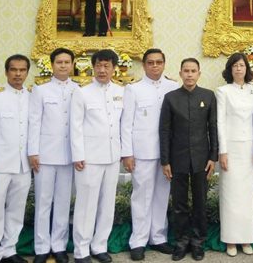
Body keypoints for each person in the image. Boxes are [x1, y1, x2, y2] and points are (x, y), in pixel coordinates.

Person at [121, 48, 179, 261]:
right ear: (144, 65)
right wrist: (127, 153)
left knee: (162, 195)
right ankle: (138, 241)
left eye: (159, 62)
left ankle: (158, 237)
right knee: (141, 196)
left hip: (167, 154)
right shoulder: (133, 89)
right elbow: (126, 124)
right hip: (142, 152)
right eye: (151, 63)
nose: (155, 66)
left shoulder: (173, 86)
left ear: (164, 64)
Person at [159, 58, 218, 262]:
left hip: (202, 158)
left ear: (199, 73)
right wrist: (165, 161)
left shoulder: (208, 96)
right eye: (186, 71)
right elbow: (164, 131)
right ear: (181, 73)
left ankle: (198, 242)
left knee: (200, 202)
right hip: (178, 158)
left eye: (193, 71)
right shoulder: (171, 98)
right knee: (179, 204)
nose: (190, 74)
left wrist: (213, 157)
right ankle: (182, 242)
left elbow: (213, 128)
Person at [70, 49, 124, 263]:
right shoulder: (82, 92)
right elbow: (75, 127)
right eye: (99, 66)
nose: (102, 70)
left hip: (112, 157)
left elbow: (123, 125)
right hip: (89, 158)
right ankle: (81, 250)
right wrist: (78, 155)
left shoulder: (121, 91)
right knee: (86, 204)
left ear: (113, 68)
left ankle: (99, 245)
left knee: (107, 204)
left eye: (107, 66)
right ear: (93, 67)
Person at [0, 54, 32, 263]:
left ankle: (9, 249)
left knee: (16, 210)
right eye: (13, 69)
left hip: (23, 165)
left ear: (28, 72)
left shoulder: (32, 96)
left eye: (22, 70)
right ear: (6, 72)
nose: (18, 74)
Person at [28, 47, 78, 263]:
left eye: (67, 62)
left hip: (68, 156)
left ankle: (58, 246)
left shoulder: (79, 89)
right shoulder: (40, 90)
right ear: (52, 64)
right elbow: (34, 121)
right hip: (45, 155)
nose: (64, 65)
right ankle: (41, 247)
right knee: (43, 201)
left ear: (73, 64)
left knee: (63, 202)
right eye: (59, 62)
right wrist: (33, 151)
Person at [215, 53, 253, 257]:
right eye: (235, 66)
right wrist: (222, 151)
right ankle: (231, 240)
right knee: (230, 194)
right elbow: (220, 122)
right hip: (230, 148)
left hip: (249, 148)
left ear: (247, 69)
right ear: (230, 69)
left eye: (242, 65)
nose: (239, 69)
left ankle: (247, 239)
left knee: (247, 195)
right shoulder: (223, 91)